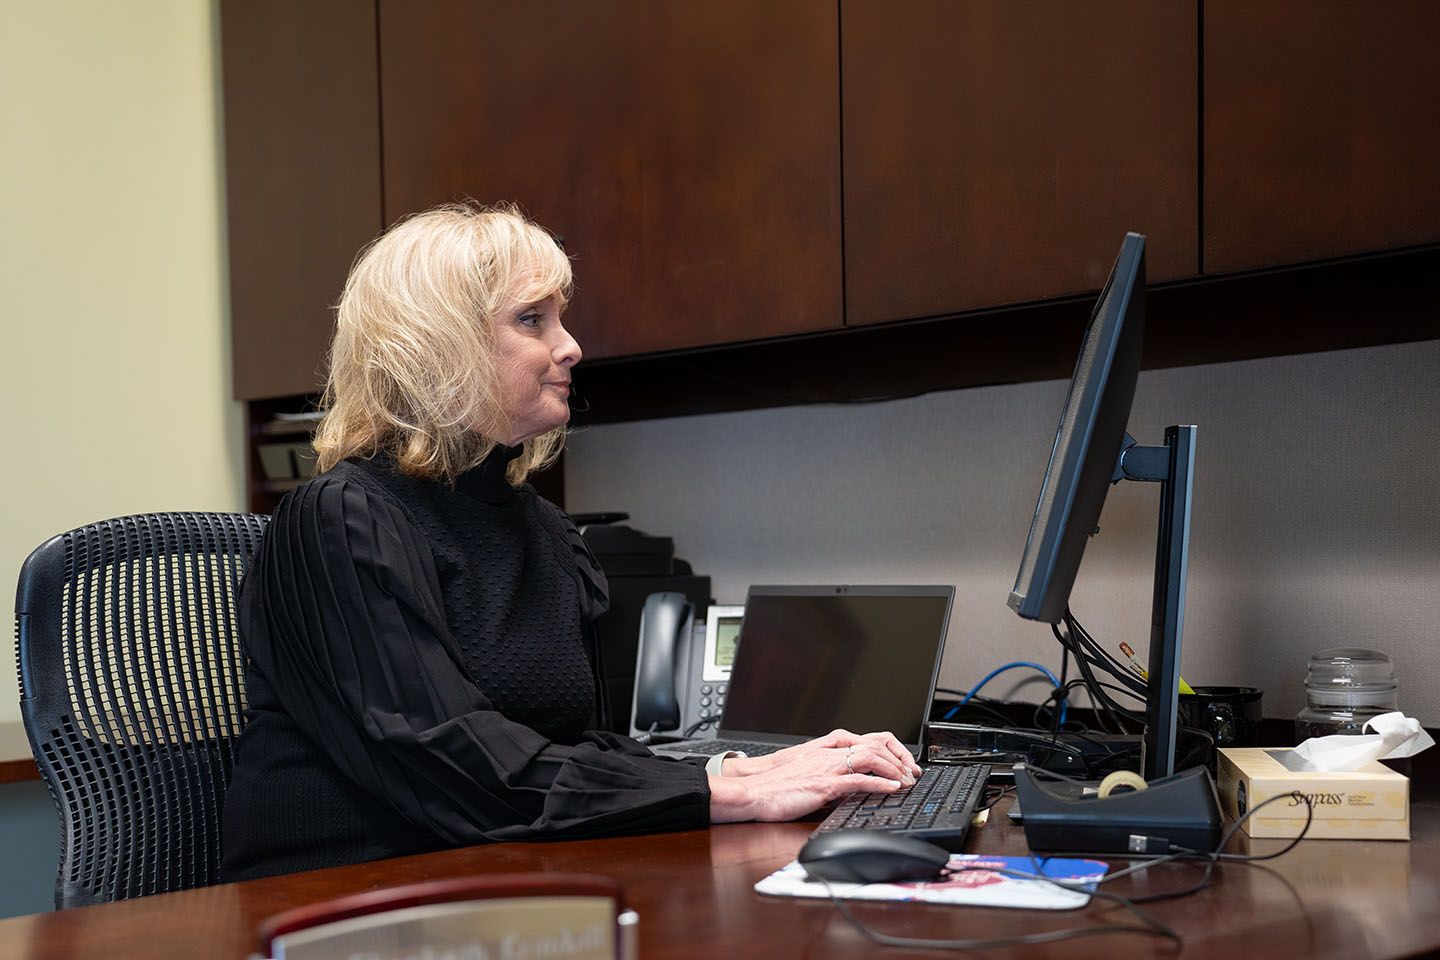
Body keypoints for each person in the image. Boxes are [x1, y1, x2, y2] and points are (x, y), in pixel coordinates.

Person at [220, 202, 919, 880]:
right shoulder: (341, 518)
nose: (571, 346)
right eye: (532, 319)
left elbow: (572, 750)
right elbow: (453, 762)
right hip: (338, 898)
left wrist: (741, 770)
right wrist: (727, 794)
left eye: (560, 316)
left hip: (496, 877)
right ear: (436, 347)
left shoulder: (543, 527)